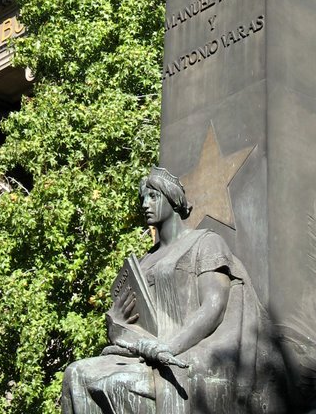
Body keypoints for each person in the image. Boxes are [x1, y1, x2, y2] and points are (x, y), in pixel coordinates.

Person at [61, 166, 276, 414]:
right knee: (75, 373)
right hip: (144, 351)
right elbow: (136, 322)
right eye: (142, 197)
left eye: (153, 196)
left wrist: (170, 347)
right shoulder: (143, 262)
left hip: (188, 350)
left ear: (172, 198)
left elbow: (214, 306)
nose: (145, 204)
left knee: (114, 383)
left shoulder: (205, 242)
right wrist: (117, 323)